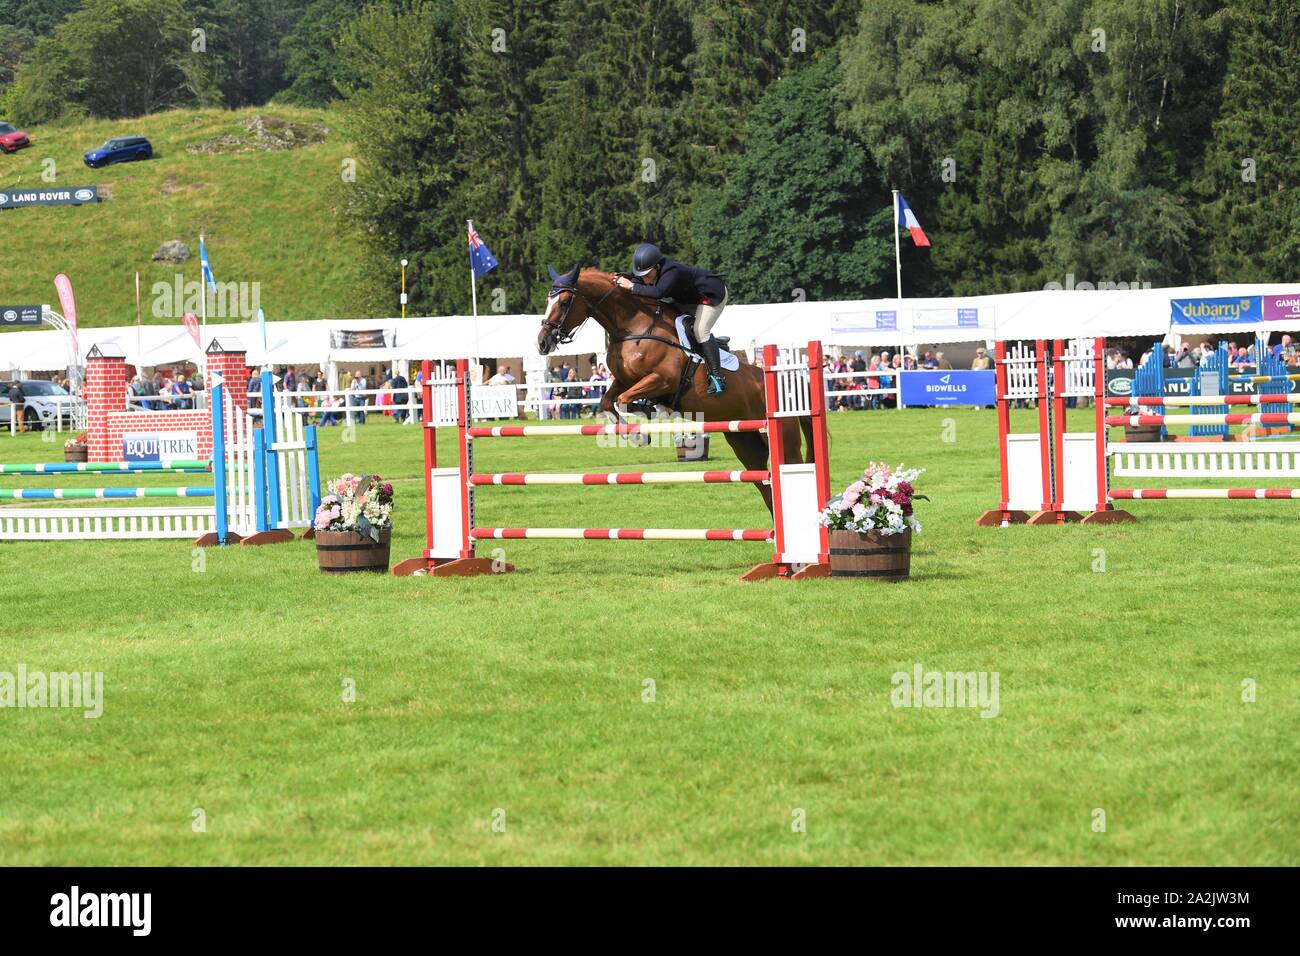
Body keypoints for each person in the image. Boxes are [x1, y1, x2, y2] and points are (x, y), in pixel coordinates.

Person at [613, 243, 729, 394]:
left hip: (710, 295)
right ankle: (716, 344)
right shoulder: (651, 269)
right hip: (687, 298)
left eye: (648, 275)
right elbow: (636, 280)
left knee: (700, 331)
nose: (645, 279)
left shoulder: (671, 271)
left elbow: (658, 292)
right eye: (643, 276)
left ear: (657, 267)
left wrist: (631, 287)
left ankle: (717, 378)